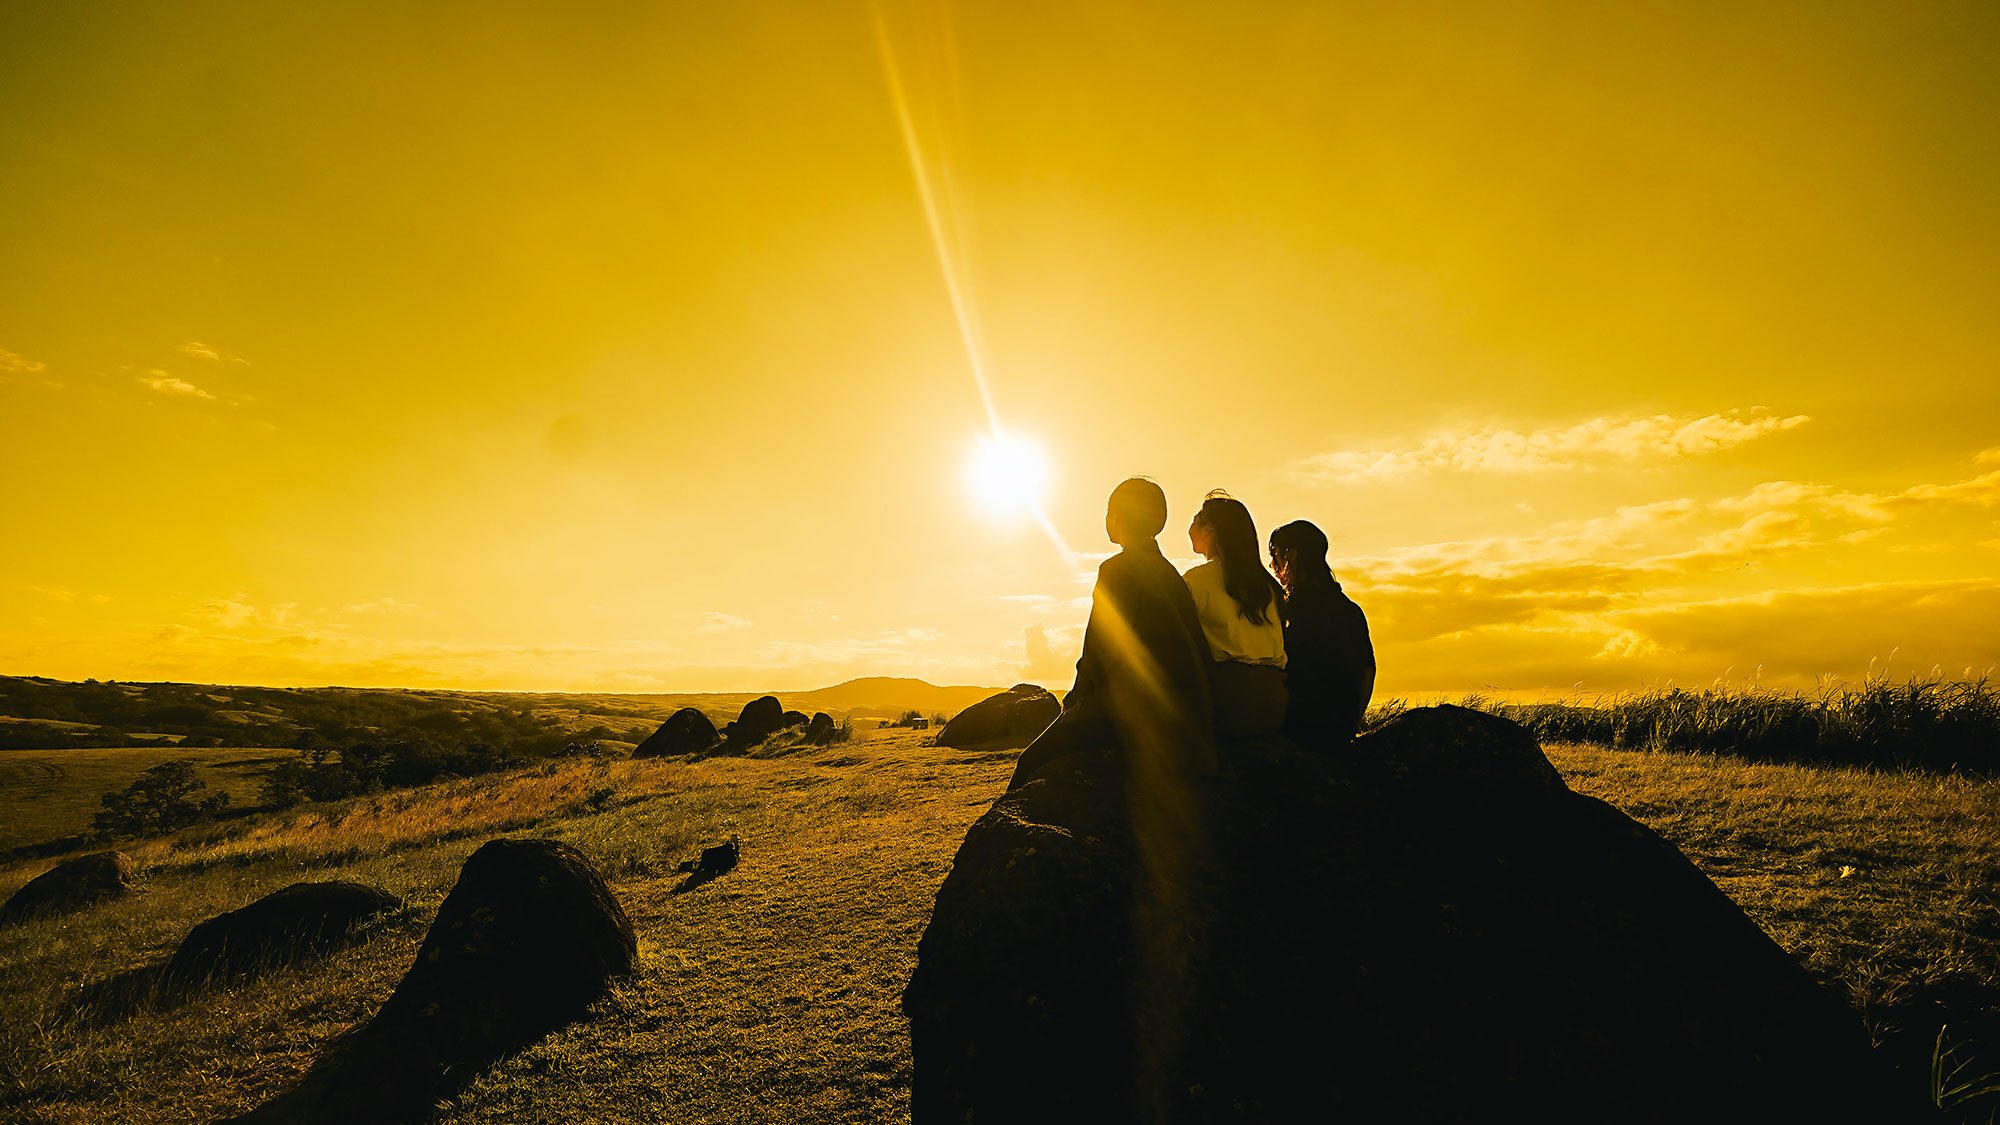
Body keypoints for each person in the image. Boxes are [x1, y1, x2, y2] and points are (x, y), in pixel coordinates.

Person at [1007, 478, 1220, 790]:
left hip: (1130, 711)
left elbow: (1100, 647)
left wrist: (1076, 700)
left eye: (1109, 511)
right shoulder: (1171, 574)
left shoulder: (1117, 568)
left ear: (1119, 517)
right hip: (1179, 711)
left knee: (1030, 761)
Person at [1183, 492, 1289, 740]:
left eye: (1194, 520)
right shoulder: (1268, 586)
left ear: (1209, 529)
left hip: (1229, 698)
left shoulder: (1196, 581)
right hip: (1274, 702)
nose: (1188, 528)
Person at [1268, 519, 1375, 747]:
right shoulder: (1350, 610)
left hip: (1296, 729)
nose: (1271, 565)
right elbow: (1368, 670)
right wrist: (1354, 720)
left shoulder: (1287, 611)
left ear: (1291, 556)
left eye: (1275, 555)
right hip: (1340, 728)